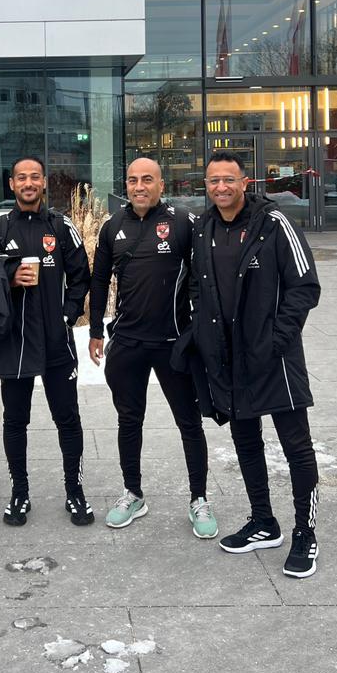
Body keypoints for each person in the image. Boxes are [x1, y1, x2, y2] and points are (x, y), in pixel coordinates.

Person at [185, 149, 322, 579]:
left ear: (245, 182)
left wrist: (275, 340)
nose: (221, 187)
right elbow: (197, 286)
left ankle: (305, 532)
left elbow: (305, 287)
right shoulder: (203, 227)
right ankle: (264, 521)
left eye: (229, 179)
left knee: (296, 447)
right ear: (205, 185)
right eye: (213, 180)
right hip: (228, 360)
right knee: (245, 441)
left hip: (275, 360)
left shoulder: (275, 223)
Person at [89, 157, 217, 537]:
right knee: (129, 421)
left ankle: (199, 498)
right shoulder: (113, 226)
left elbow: (203, 278)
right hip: (128, 343)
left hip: (173, 343)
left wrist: (203, 330)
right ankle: (133, 493)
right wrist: (95, 330)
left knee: (189, 422)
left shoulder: (183, 222)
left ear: (162, 184)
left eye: (147, 179)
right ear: (126, 185)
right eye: (133, 180)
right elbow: (99, 281)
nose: (139, 186)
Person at [0, 155, 93, 526]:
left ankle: (75, 492)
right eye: (21, 177)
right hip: (15, 343)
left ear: (43, 182)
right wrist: (9, 277)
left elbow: (81, 276)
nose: (28, 183)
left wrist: (67, 315)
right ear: (12, 184)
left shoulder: (60, 226)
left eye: (35, 177)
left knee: (68, 419)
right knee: (15, 420)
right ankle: (20, 492)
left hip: (56, 342)